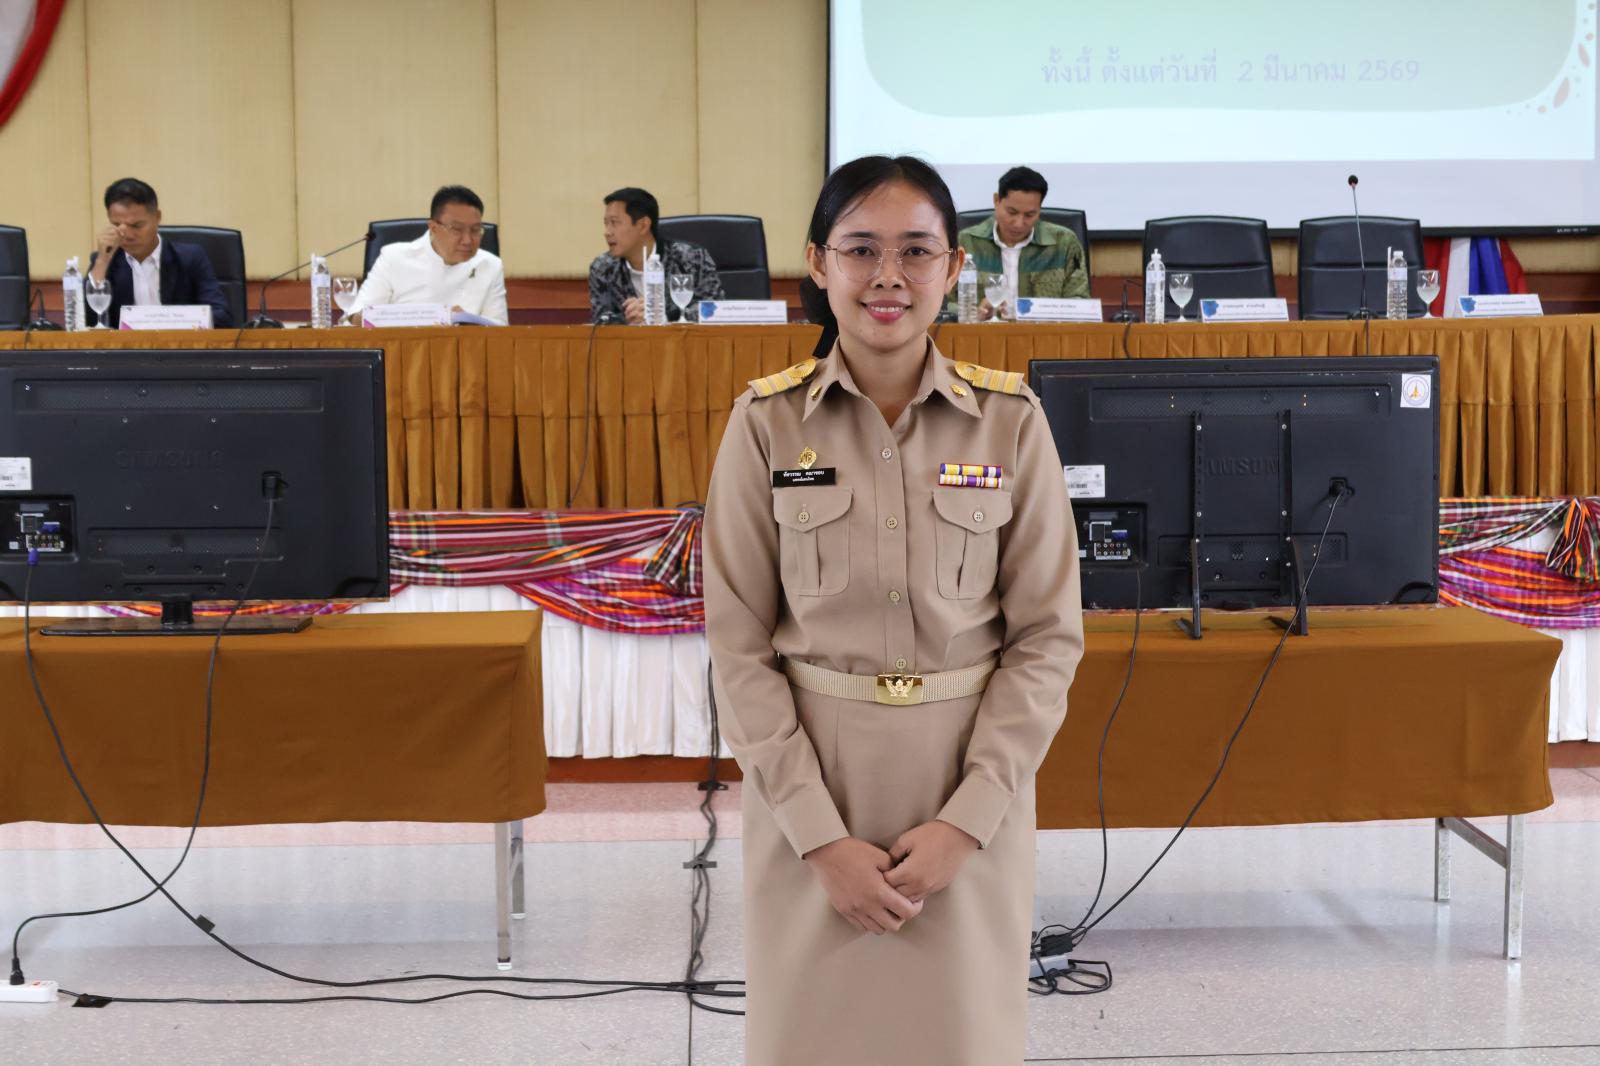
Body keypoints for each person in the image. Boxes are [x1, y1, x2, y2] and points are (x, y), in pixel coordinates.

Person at [703, 155, 1084, 1065]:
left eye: (915, 251)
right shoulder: (765, 424)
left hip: (966, 787)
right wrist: (819, 838)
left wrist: (968, 821)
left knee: (962, 1040)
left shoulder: (1009, 422)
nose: (887, 276)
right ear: (817, 262)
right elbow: (738, 645)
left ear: (953, 267)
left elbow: (1046, 639)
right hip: (812, 791)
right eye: (861, 249)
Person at [347, 185, 508, 325]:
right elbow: (356, 318)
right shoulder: (393, 257)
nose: (467, 240)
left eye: (475, 230)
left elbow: (500, 331)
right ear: (433, 228)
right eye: (457, 229)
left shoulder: (491, 265)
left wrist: (468, 323)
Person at [86, 178, 231, 328]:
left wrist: (178, 322)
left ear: (157, 217)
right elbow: (87, 324)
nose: (127, 235)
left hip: (179, 342)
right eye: (117, 225)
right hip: (127, 344)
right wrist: (102, 261)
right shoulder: (106, 262)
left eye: (137, 225)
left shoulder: (190, 258)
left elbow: (222, 316)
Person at [954, 165, 1089, 319]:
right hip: (983, 332)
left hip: (1044, 333)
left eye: (1029, 215)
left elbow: (1080, 303)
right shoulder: (965, 242)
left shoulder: (1064, 243)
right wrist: (973, 312)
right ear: (996, 201)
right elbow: (945, 303)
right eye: (1012, 212)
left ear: (1039, 210)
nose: (1019, 224)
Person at [589, 187, 723, 324]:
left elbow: (714, 309)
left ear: (643, 225)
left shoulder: (691, 258)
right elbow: (600, 322)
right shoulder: (603, 268)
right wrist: (629, 318)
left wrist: (664, 316)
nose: (607, 232)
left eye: (614, 223)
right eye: (606, 223)